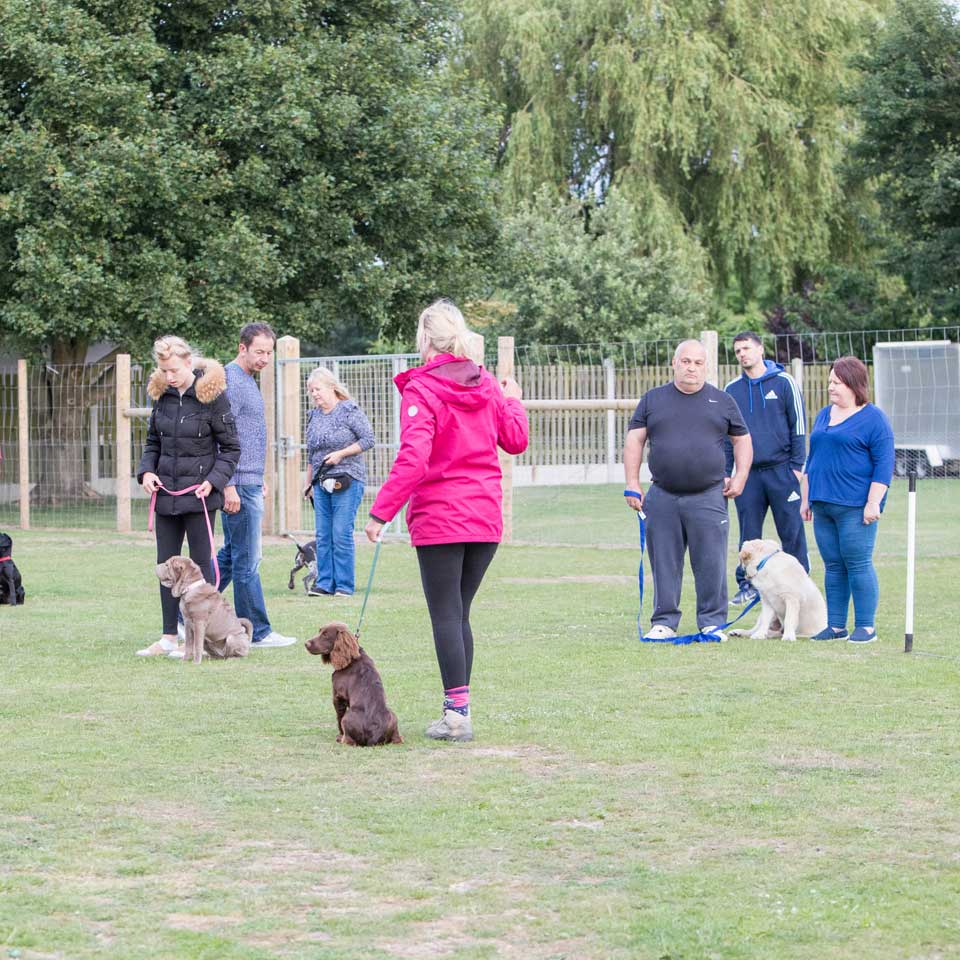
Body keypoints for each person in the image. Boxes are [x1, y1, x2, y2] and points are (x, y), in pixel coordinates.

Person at [364, 300, 528, 742]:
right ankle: (457, 708)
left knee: (446, 615)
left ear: (424, 340)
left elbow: (414, 458)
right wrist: (513, 402)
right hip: (485, 516)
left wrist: (381, 510)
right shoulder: (488, 383)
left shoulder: (422, 389)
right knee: (459, 614)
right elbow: (515, 439)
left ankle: (457, 715)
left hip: (442, 517)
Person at [623, 339, 753, 641]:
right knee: (664, 562)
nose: (691, 367)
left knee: (711, 563)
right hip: (662, 495)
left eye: (697, 362)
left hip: (709, 495)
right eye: (685, 361)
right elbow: (634, 440)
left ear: (706, 366)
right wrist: (632, 483)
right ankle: (664, 622)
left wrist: (741, 475)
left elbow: (742, 439)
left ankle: (712, 622)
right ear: (674, 363)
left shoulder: (722, 401)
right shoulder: (653, 399)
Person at [136, 336, 240, 657]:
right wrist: (146, 472)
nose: (169, 376)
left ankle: (203, 642)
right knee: (166, 567)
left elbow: (231, 448)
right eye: (164, 370)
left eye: (174, 369)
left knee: (202, 568)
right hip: (166, 497)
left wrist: (214, 481)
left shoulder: (214, 397)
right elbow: (153, 443)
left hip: (200, 499)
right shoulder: (162, 397)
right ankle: (169, 637)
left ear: (188, 362)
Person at [800, 356, 894, 644]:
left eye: (837, 383)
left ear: (854, 385)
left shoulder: (873, 418)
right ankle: (836, 626)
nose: (830, 388)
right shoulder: (824, 415)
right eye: (829, 382)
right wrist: (806, 499)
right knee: (833, 565)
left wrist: (873, 502)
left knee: (857, 563)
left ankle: (866, 627)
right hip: (822, 503)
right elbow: (812, 459)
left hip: (855, 505)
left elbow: (884, 464)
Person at [216, 323, 297, 648]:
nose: (265, 358)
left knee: (233, 555)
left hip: (248, 480)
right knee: (247, 560)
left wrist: (255, 476)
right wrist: (230, 484)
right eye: (259, 351)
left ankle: (184, 616)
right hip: (236, 484)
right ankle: (258, 631)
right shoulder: (231, 382)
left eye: (269, 352)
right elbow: (222, 436)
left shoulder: (247, 381)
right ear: (242, 347)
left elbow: (247, 437)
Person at [724, 332, 809, 605]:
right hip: (748, 475)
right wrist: (729, 471)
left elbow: (799, 426)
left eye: (746, 348)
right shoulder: (731, 390)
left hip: (782, 470)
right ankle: (747, 586)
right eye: (737, 351)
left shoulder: (784, 383)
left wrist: (796, 466)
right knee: (748, 534)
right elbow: (726, 435)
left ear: (760, 350)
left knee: (792, 529)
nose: (742, 354)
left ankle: (800, 583)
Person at [302, 367, 376, 597]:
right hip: (320, 482)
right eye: (311, 390)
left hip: (347, 478)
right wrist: (309, 484)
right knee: (323, 534)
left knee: (341, 532)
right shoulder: (313, 415)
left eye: (318, 389)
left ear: (332, 387)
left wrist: (341, 454)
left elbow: (368, 439)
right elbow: (311, 453)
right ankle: (324, 583)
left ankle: (344, 585)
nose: (315, 394)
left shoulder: (348, 410)